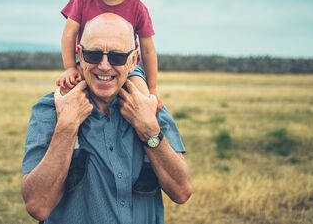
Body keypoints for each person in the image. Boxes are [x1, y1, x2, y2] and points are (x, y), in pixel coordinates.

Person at [22, 13, 192, 224]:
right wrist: (67, 126)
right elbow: (37, 205)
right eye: (93, 55)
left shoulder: (150, 107)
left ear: (133, 60)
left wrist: (149, 130)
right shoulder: (50, 109)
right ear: (80, 54)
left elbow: (181, 191)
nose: (104, 65)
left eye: (117, 57)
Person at [56, 0, 162, 109]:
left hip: (126, 67)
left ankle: (147, 134)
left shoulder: (137, 8)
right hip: (89, 63)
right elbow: (69, 34)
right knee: (67, 94)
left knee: (144, 100)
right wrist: (71, 68)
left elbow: (148, 50)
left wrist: (152, 88)